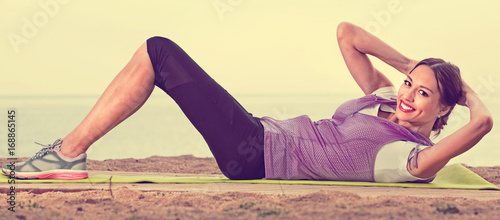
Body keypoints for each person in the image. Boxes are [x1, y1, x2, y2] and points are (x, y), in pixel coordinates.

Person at [2, 22, 493, 182]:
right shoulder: (382, 101)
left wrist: (463, 89)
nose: (408, 96)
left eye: (424, 94)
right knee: (156, 53)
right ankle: (66, 153)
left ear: (443, 110)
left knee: (159, 52)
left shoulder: (410, 158)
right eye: (410, 85)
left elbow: (485, 122)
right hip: (260, 133)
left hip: (256, 154)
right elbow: (347, 34)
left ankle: (66, 155)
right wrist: (418, 67)